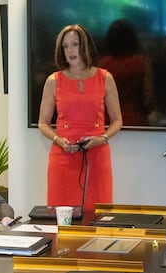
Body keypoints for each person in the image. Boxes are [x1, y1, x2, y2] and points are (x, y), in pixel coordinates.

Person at [37, 24, 123, 212]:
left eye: (74, 44)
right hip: (64, 155)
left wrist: (103, 138)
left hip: (97, 154)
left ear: (84, 46)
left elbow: (117, 120)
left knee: (98, 213)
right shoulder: (54, 81)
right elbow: (43, 123)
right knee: (62, 216)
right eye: (65, 46)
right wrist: (58, 140)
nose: (70, 50)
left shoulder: (105, 77)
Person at [97, 19, 154, 126]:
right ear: (133, 39)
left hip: (108, 124)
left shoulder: (102, 65)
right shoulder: (142, 63)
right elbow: (149, 101)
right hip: (136, 122)